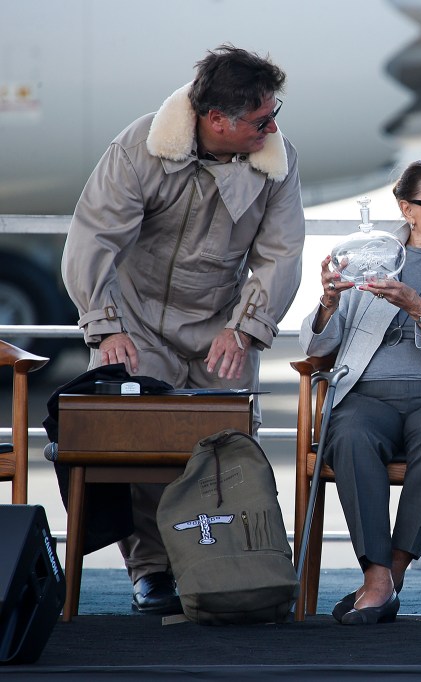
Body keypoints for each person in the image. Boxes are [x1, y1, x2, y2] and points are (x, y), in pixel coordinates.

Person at [62, 45, 304, 615]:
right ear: (217, 120)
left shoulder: (277, 158)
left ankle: (223, 568)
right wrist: (105, 328)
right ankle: (150, 571)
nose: (273, 127)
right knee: (136, 442)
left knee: (225, 451)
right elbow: (92, 237)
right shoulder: (140, 146)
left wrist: (246, 328)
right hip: (137, 321)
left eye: (275, 113)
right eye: (262, 119)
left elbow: (281, 253)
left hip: (223, 324)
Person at [299, 159, 421, 625]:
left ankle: (386, 575)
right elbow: (318, 349)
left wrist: (420, 310)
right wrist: (328, 302)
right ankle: (379, 578)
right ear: (407, 209)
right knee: (349, 436)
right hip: (367, 392)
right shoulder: (369, 255)